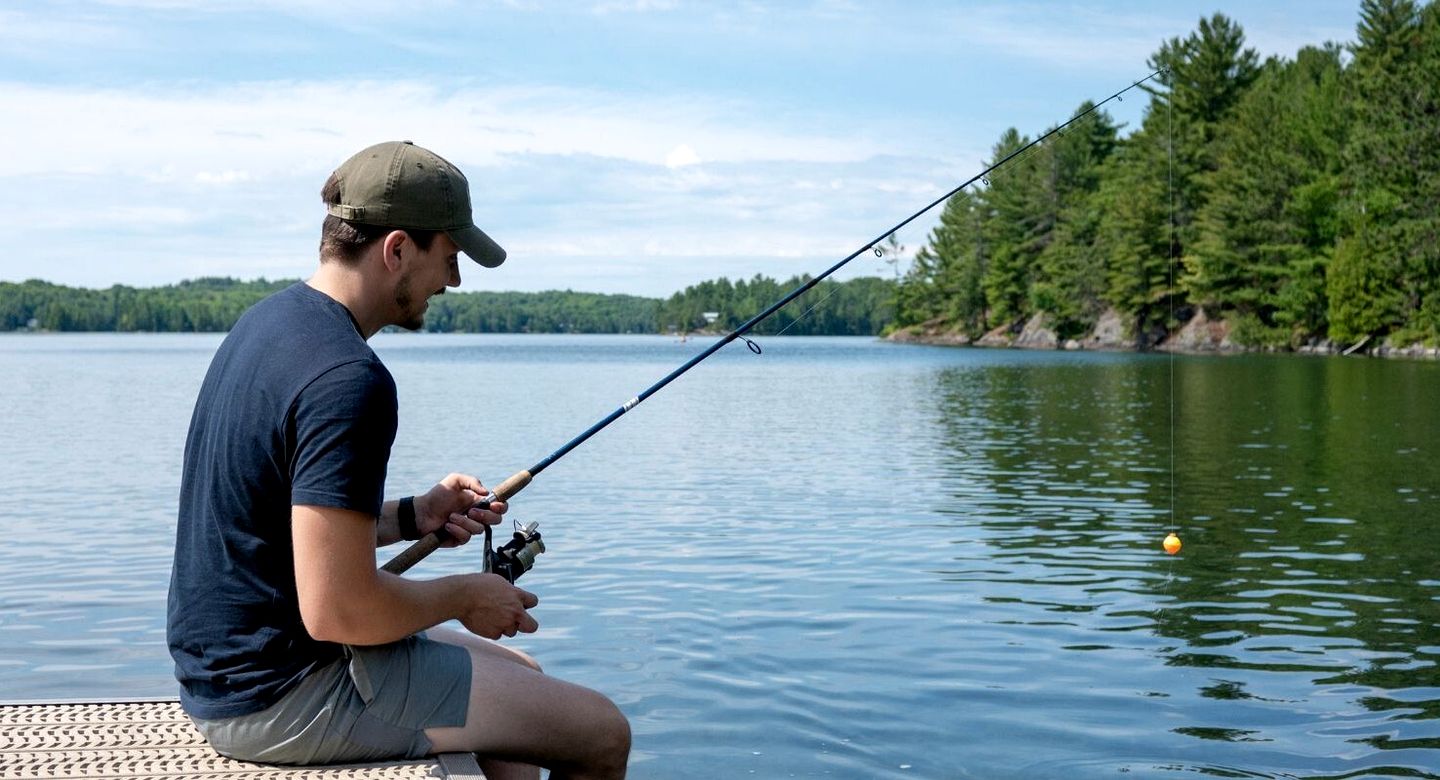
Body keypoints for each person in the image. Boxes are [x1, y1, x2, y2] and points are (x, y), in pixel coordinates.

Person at [166, 140, 631, 780]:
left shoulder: (268, 324)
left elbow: (279, 525)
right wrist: (464, 596)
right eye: (450, 257)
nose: (454, 281)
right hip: (284, 694)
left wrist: (415, 516)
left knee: (525, 675)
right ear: (397, 250)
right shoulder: (347, 380)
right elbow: (339, 609)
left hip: (225, 674)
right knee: (602, 734)